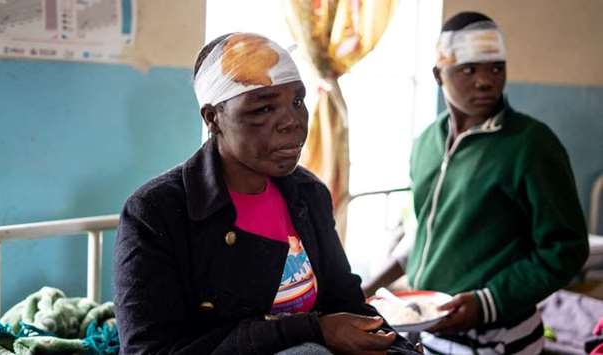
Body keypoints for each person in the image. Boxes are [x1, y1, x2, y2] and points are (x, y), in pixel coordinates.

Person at [113, 32, 419, 355]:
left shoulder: (308, 195)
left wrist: (398, 348)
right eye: (263, 109)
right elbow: (149, 350)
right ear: (213, 117)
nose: (291, 121)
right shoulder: (154, 213)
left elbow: (345, 304)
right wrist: (311, 329)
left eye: (297, 102)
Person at [363, 12, 589, 354]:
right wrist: (367, 288)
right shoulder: (427, 143)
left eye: (496, 68)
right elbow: (427, 231)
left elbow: (566, 248)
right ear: (439, 74)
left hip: (499, 339)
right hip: (430, 332)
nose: (486, 81)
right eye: (468, 69)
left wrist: (488, 302)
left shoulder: (530, 143)